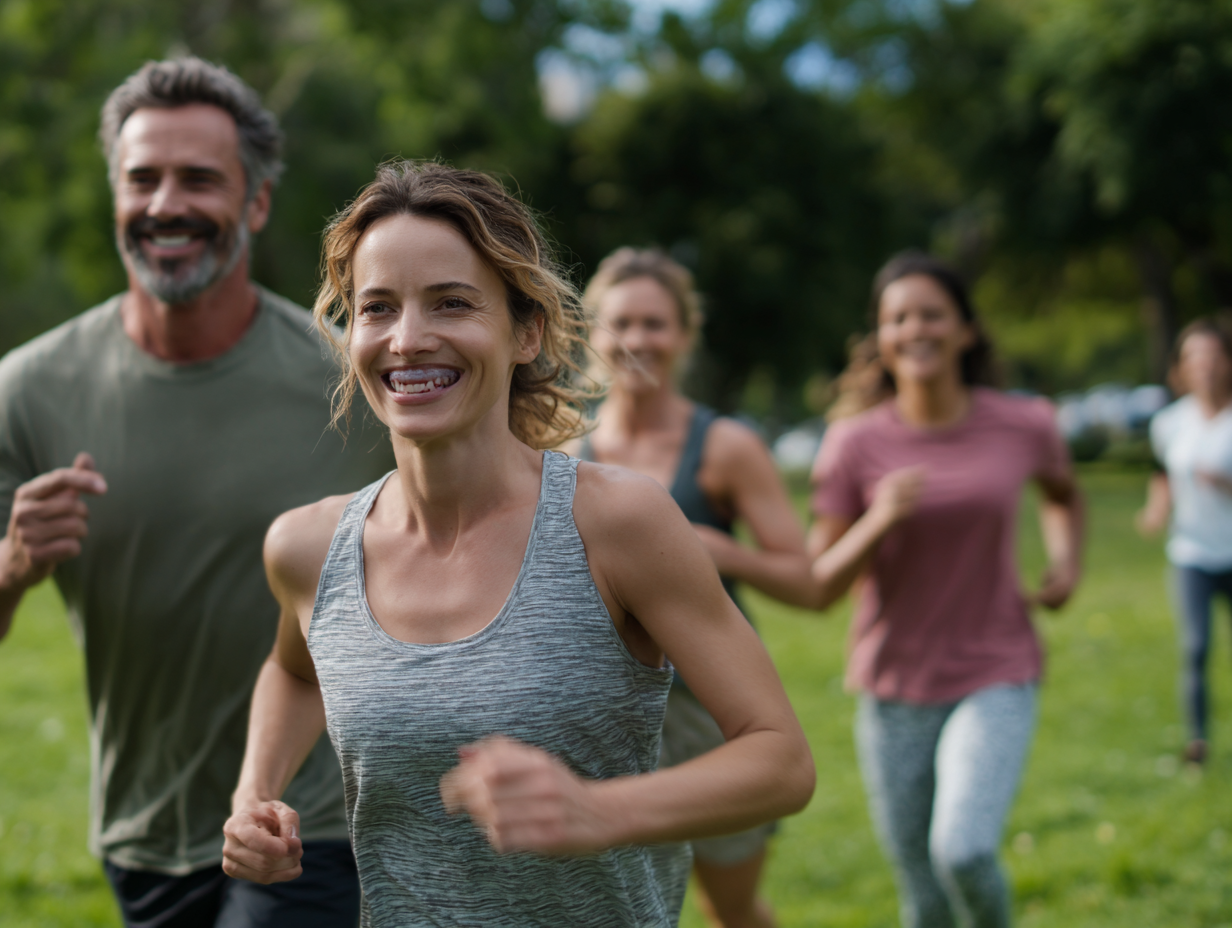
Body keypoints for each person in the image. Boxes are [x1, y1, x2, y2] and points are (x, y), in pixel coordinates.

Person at [218, 161, 815, 927]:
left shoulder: (616, 523)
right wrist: (253, 795)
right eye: (377, 308)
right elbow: (295, 671)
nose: (407, 339)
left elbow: (781, 759)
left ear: (525, 330)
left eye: (452, 303)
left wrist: (599, 811)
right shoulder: (308, 548)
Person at [0, 58, 392, 927]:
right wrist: (13, 564)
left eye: (199, 179)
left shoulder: (354, 383)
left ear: (255, 204)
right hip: (143, 825)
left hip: (320, 815)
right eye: (142, 178)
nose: (165, 203)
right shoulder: (25, 392)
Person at [807, 251, 1084, 928]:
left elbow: (1063, 495)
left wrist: (1065, 558)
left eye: (932, 313)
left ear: (966, 330)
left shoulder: (1025, 424)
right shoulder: (852, 443)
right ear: (881, 337)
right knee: (923, 897)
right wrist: (879, 520)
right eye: (898, 317)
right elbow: (820, 584)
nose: (915, 328)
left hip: (997, 668)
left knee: (961, 851)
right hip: (894, 685)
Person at [573, 247, 815, 928]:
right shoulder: (562, 450)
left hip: (707, 710)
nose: (638, 340)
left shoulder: (725, 445)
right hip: (602, 713)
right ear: (593, 333)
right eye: (621, 323)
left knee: (728, 908)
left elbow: (807, 583)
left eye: (655, 323)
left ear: (684, 334)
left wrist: (721, 551)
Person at [1138, 315, 1232, 766]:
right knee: (1195, 648)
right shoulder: (1170, 424)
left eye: (1213, 355)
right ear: (1181, 367)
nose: (1205, 365)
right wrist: (1156, 509)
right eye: (1194, 356)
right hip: (1191, 552)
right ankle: (1198, 745)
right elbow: (1163, 476)